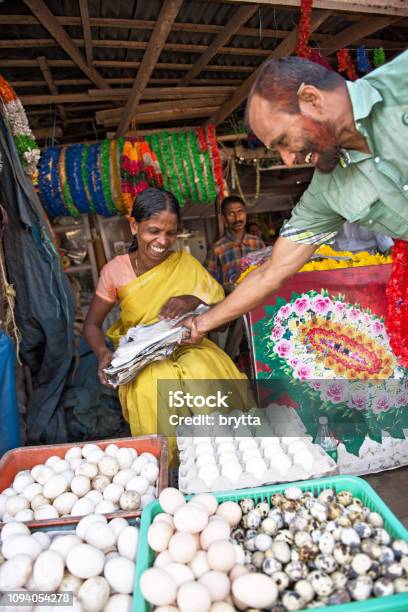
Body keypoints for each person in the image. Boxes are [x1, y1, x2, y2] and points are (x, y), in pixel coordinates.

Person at [182, 51, 408, 343]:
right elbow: (271, 273)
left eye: (283, 141)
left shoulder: (400, 82)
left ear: (312, 99)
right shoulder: (326, 191)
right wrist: (201, 324)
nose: (288, 160)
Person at [83, 188, 247, 460]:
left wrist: (193, 300)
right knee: (155, 385)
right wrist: (102, 354)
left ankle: (225, 459)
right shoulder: (115, 271)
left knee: (204, 373)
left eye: (170, 233)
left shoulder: (186, 264)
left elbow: (222, 321)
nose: (162, 241)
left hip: (188, 346)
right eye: (153, 231)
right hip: (142, 357)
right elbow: (91, 324)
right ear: (134, 226)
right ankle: (168, 469)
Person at [205, 195, 265, 293]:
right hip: (232, 303)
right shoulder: (217, 249)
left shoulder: (258, 243)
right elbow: (208, 283)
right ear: (224, 218)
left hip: (259, 298)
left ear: (245, 214)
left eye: (240, 212)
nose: (237, 218)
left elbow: (267, 272)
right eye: (231, 214)